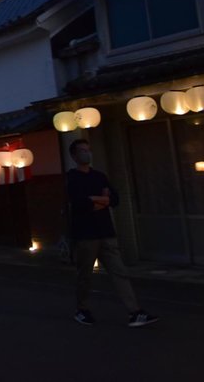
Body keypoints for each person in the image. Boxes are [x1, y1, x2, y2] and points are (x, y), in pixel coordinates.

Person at [67, 139, 159, 327]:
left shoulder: (100, 176)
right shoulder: (72, 178)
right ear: (74, 156)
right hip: (85, 235)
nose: (87, 154)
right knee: (84, 274)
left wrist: (96, 200)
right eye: (82, 151)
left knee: (119, 272)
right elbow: (79, 203)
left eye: (88, 150)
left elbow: (115, 199)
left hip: (106, 232)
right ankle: (81, 309)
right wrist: (102, 199)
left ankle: (134, 312)